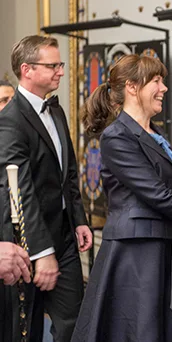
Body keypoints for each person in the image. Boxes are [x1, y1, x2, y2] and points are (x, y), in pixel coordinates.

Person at [72, 54, 172, 342]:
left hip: (161, 243)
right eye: (156, 81)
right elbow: (156, 194)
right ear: (133, 87)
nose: (163, 88)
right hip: (137, 250)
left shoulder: (155, 133)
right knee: (139, 329)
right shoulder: (117, 136)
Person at [0, 35, 92, 342]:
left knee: (75, 324)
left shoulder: (57, 111)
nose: (61, 72)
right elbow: (21, 192)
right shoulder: (9, 121)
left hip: (65, 236)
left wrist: (78, 218)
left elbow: (68, 173)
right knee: (27, 330)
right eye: (53, 65)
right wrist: (41, 252)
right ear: (27, 70)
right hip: (27, 245)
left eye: (60, 64)